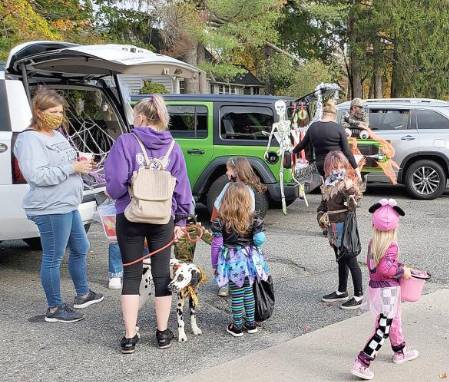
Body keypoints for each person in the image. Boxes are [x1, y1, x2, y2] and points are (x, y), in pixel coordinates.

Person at [104, 94, 194, 354]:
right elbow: (182, 188)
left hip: (131, 215)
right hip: (163, 218)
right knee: (162, 276)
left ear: (141, 117)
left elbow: (115, 183)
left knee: (131, 275)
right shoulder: (173, 147)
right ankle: (163, 333)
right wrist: (181, 220)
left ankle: (130, 336)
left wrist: (123, 194)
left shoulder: (126, 142)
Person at [13, 89, 104, 322]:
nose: (58, 115)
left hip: (67, 203)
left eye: (61, 112)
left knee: (81, 247)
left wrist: (82, 163)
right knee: (53, 257)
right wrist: (71, 168)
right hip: (50, 207)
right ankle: (54, 308)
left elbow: (67, 161)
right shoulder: (29, 139)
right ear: (38, 112)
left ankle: (83, 294)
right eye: (53, 111)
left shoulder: (57, 134)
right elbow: (37, 175)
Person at [351, 199, 418, 380]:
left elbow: (381, 265)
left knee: (393, 319)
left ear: (374, 224)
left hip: (377, 290)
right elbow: (385, 269)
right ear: (396, 227)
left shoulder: (374, 242)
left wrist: (399, 265)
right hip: (388, 291)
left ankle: (400, 350)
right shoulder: (392, 245)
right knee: (383, 328)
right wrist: (401, 271)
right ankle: (362, 362)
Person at [210, 182, 269, 337]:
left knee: (236, 293)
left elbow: (217, 244)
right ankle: (250, 324)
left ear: (227, 200)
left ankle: (237, 326)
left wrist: (215, 264)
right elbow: (259, 239)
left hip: (232, 260)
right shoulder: (252, 219)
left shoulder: (221, 221)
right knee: (248, 291)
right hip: (249, 259)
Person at [211, 157, 267, 296]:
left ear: (236, 171)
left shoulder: (239, 189)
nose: (226, 172)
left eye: (228, 169)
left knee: (227, 255)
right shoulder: (234, 187)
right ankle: (233, 282)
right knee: (235, 255)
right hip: (236, 226)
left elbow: (218, 205)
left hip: (234, 226)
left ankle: (230, 283)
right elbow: (250, 210)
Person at [317, 151, 364, 309]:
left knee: (350, 259)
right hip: (333, 228)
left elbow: (354, 202)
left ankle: (358, 295)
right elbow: (322, 205)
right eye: (334, 167)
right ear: (327, 169)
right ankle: (341, 290)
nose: (337, 170)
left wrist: (352, 197)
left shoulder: (346, 184)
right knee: (341, 259)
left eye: (340, 167)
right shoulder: (327, 185)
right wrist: (321, 216)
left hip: (345, 228)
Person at [293, 99, 358, 177]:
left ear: (323, 114)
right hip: (336, 166)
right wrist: (356, 169)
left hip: (320, 166)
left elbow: (301, 145)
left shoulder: (313, 127)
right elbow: (347, 152)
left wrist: (292, 152)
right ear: (334, 115)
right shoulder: (339, 128)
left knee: (326, 186)